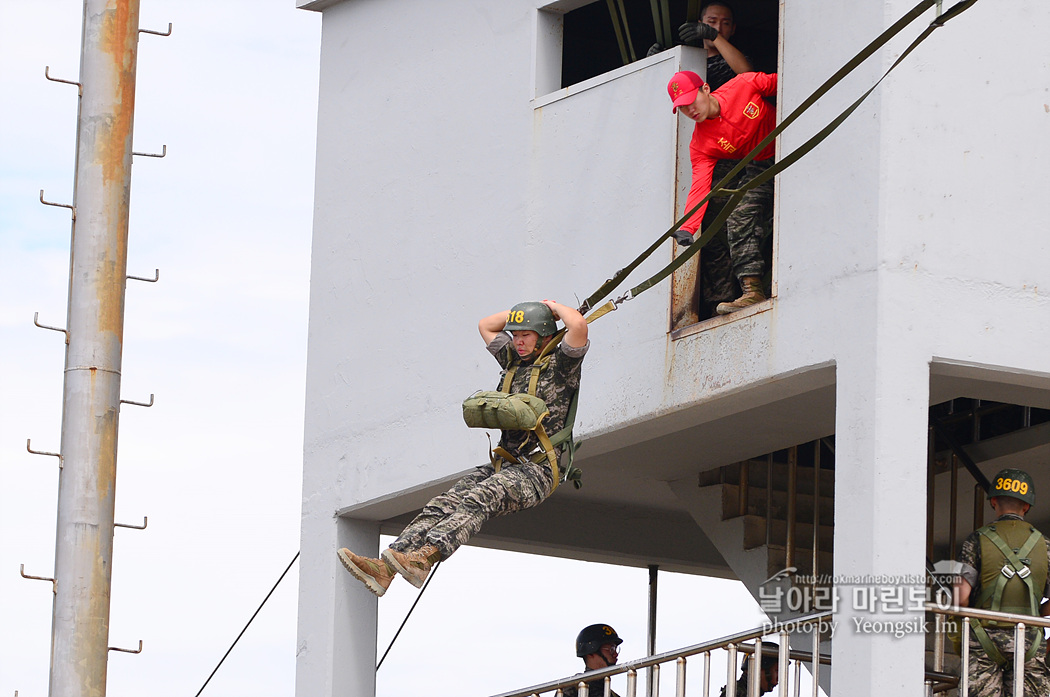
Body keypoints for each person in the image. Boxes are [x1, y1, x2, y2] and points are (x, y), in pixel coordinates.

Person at [336, 299, 589, 596]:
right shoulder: (512, 361)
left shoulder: (562, 365)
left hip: (539, 470)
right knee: (443, 503)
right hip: (506, 464)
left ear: (545, 335)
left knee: (484, 495)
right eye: (516, 334)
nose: (518, 341)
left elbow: (578, 326)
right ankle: (387, 568)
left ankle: (426, 557)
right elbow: (486, 324)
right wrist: (523, 313)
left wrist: (551, 308)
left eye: (526, 334)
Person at [667, 68, 776, 315]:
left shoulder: (744, 84)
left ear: (705, 89)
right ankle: (752, 291)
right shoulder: (700, 143)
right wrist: (688, 227)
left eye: (690, 101)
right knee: (737, 217)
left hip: (792, 138)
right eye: (682, 108)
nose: (689, 110)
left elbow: (790, 82)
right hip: (761, 166)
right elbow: (700, 185)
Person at [954, 469, 1050, 697]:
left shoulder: (976, 540)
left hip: (983, 639)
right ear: (1026, 507)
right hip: (1029, 639)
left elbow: (960, 597)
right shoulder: (1045, 546)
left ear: (993, 502)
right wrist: (1037, 616)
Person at [562, 624, 624, 697]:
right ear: (591, 652)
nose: (615, 654)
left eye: (616, 649)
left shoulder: (611, 695)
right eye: (611, 649)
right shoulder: (572, 688)